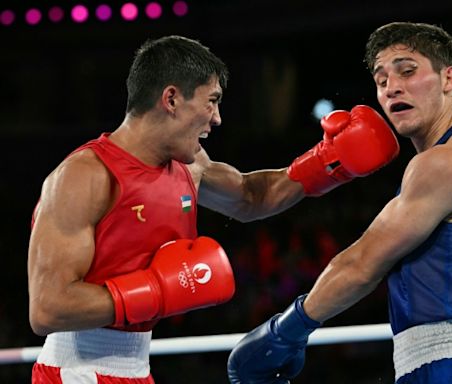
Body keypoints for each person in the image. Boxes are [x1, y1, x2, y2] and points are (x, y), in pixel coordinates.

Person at [27, 35, 399, 383]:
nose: (217, 118)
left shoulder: (190, 165)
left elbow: (252, 196)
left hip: (136, 367)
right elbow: (48, 308)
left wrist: (329, 163)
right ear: (171, 99)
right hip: (74, 370)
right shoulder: (85, 176)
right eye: (212, 100)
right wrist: (157, 290)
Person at [227, 21, 452, 384]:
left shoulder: (447, 162)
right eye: (381, 80)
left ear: (449, 78)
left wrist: (286, 330)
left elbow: (362, 264)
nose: (393, 87)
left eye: (408, 71)